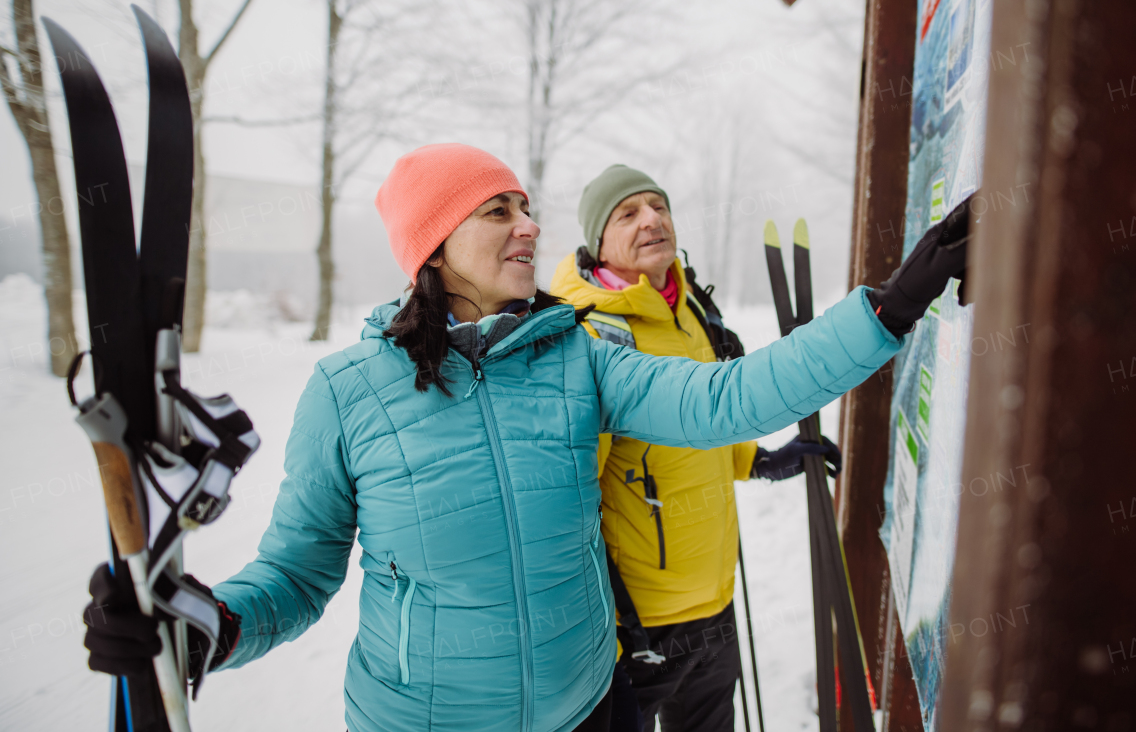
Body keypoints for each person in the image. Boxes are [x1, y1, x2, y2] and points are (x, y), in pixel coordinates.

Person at [81, 144, 969, 732]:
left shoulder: (578, 355)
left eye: (526, 206)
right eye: (498, 210)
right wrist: (218, 622)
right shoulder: (349, 391)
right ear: (433, 245)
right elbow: (299, 572)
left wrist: (889, 308)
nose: (530, 226)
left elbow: (725, 399)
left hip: (584, 708)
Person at [549, 165, 843, 731]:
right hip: (638, 626)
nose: (652, 219)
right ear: (598, 241)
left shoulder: (693, 310)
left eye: (659, 206)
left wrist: (757, 459)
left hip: (715, 599)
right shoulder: (587, 334)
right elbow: (570, 498)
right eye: (629, 212)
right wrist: (606, 624)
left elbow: (708, 422)